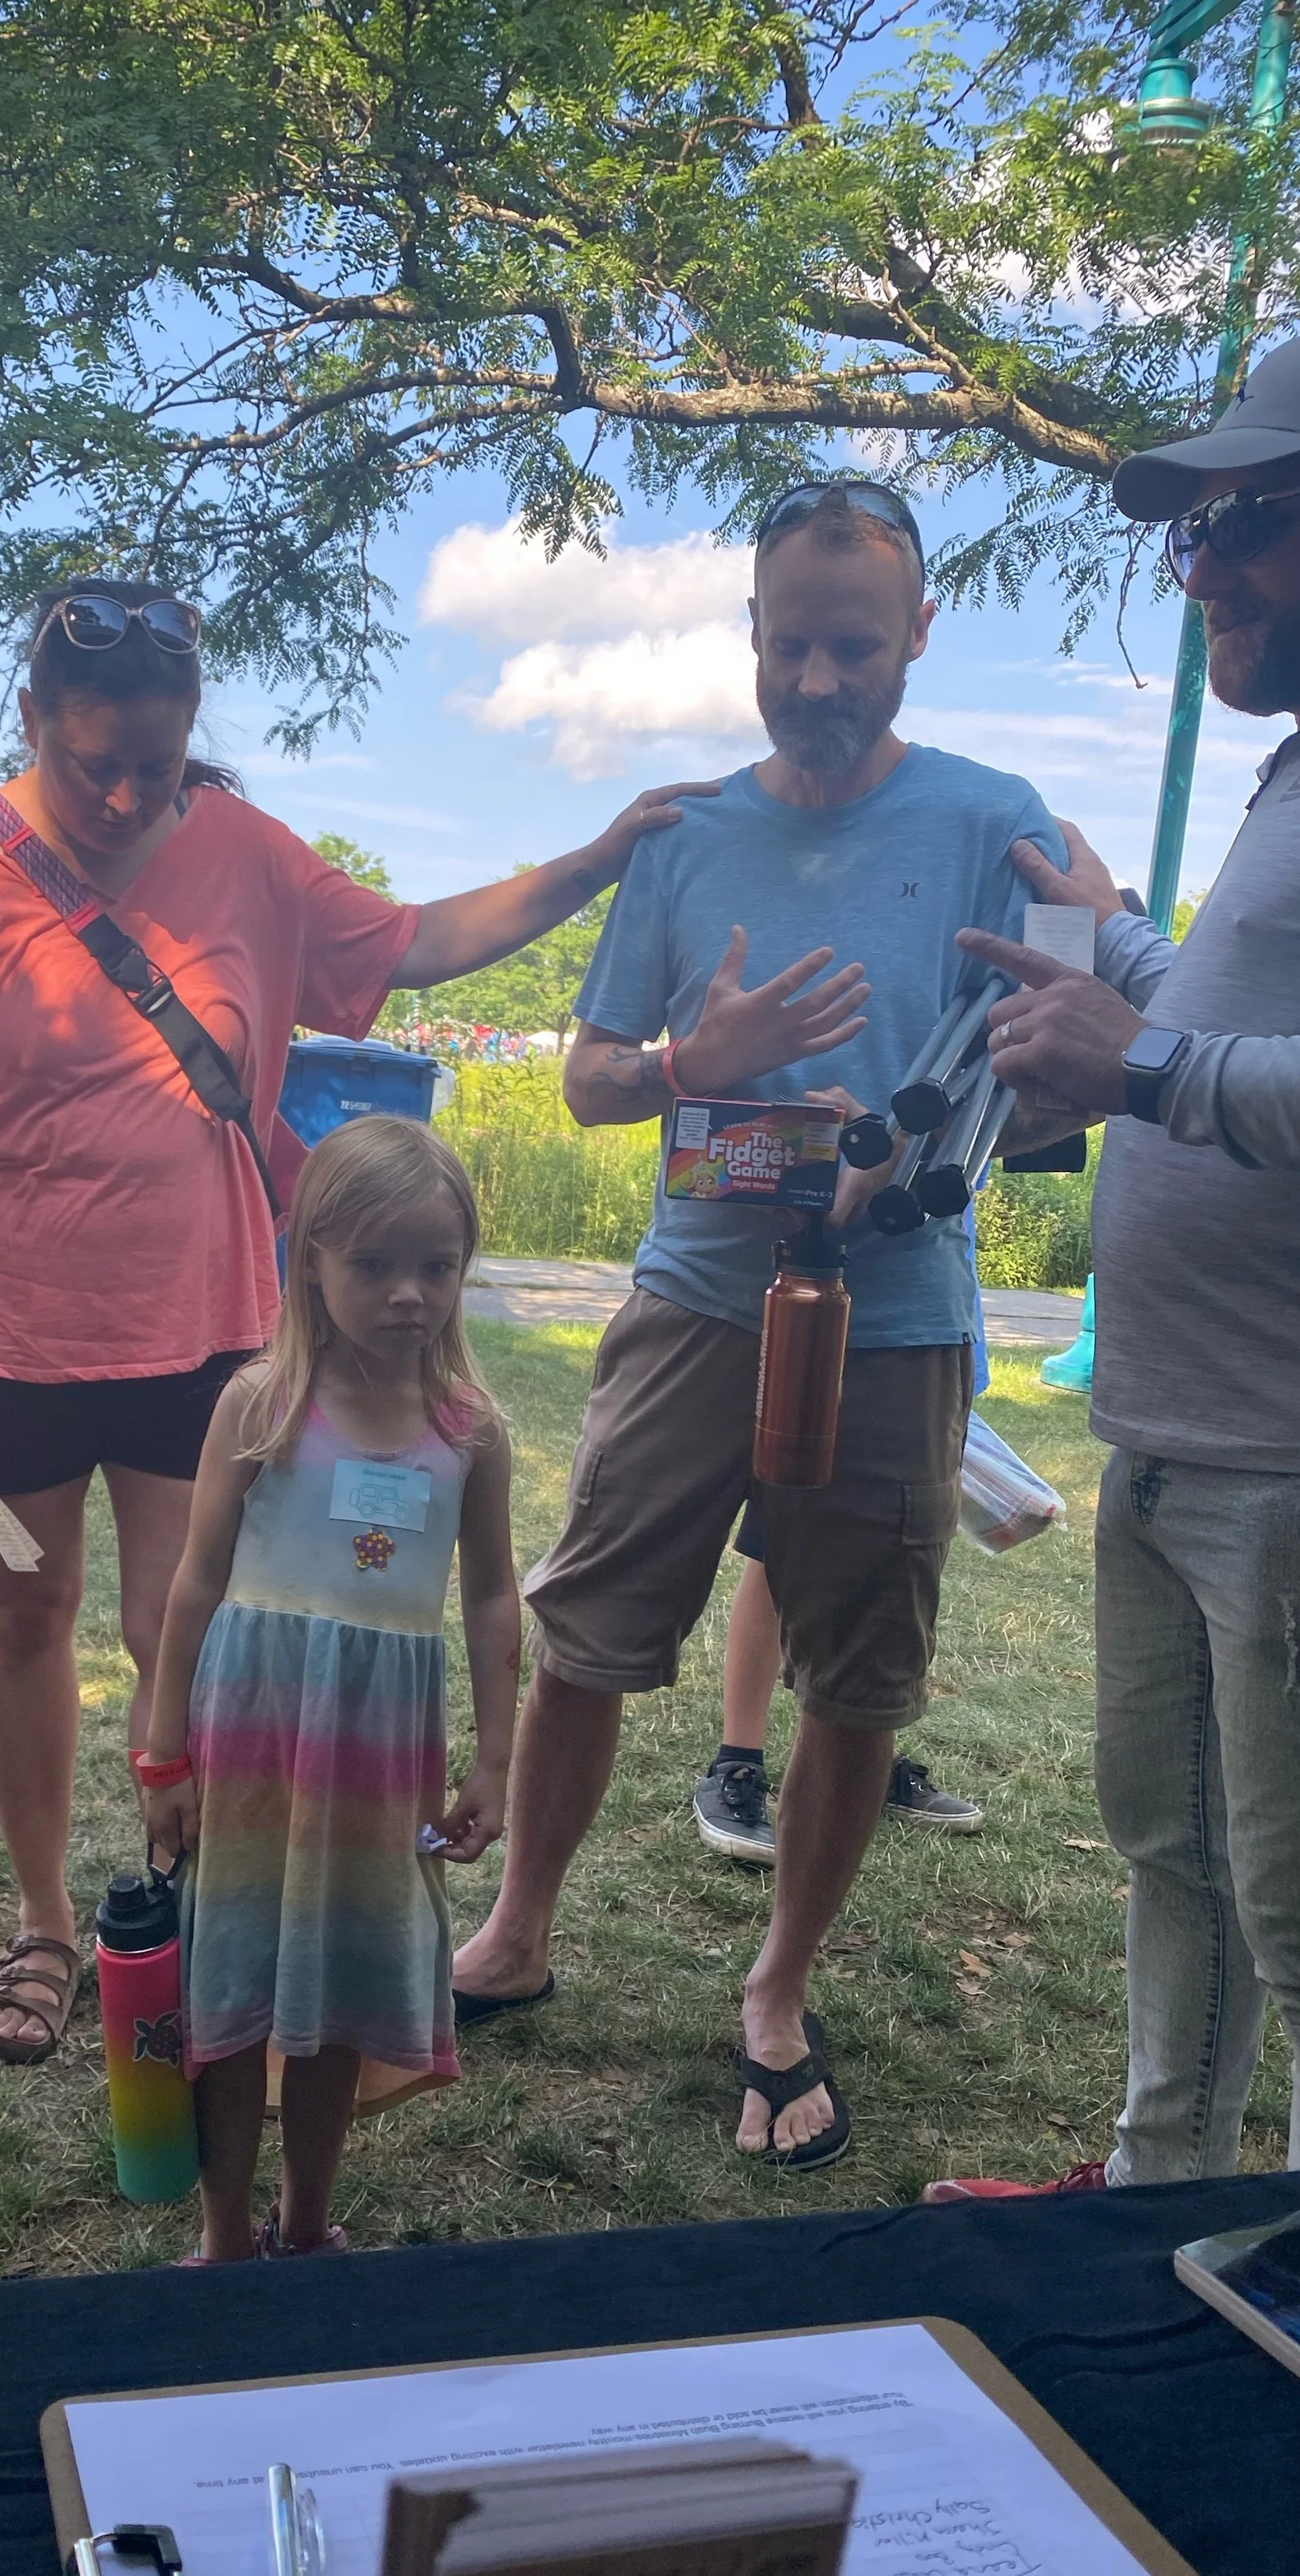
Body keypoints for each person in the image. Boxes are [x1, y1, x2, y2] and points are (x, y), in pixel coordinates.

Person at [0, 576, 707, 2063]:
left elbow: (417, 938)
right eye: (88, 755)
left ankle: (193, 1903)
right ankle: (45, 1921)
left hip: (204, 1338)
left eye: (152, 765)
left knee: (200, 1623)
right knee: (24, 1614)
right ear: (30, 717)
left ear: (191, 743)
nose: (117, 791)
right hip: (9, 1341)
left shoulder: (243, 855)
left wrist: (602, 857)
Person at [450, 478, 1068, 2172]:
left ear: (917, 634)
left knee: (856, 1676)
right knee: (586, 1625)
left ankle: (777, 1988)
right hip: (693, 1298)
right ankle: (514, 1929)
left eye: (850, 644)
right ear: (746, 633)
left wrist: (1063, 956)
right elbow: (586, 1079)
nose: (813, 678)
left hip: (900, 1321)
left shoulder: (988, 817)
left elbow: (1069, 1046)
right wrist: (681, 1069)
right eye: (786, 640)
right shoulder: (688, 835)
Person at [925, 322, 1300, 2197]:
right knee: (1178, 1873)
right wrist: (1117, 955)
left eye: (1251, 522)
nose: (1200, 570)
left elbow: (1232, 1060)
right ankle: (1156, 2229)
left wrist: (1158, 1062)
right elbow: (1249, 1002)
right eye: (1184, 534)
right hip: (1188, 1447)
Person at [137, 1119, 516, 2259]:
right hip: (252, 1747)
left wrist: (494, 1761)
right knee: (231, 1988)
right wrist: (162, 1748)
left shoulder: (470, 1432)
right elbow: (196, 1578)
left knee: (334, 1994)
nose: (409, 1293)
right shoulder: (259, 1406)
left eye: (436, 1266)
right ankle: (222, 2237)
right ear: (311, 1258)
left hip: (376, 1755)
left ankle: (304, 2227)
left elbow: (494, 1598)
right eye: (374, 1264)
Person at [696, 1217, 993, 1861]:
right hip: (805, 1324)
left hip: (930, 1324)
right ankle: (737, 1762)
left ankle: (857, 1755)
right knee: (773, 1546)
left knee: (882, 1570)